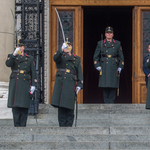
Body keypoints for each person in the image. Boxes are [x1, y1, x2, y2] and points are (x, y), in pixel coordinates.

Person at [51, 39, 83, 127]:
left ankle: (69, 124)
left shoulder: (76, 59)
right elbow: (55, 58)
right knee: (61, 106)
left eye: (69, 46)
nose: (68, 47)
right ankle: (62, 124)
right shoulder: (60, 56)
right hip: (61, 83)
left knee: (69, 105)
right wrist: (61, 49)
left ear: (71, 47)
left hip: (70, 83)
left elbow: (79, 72)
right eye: (66, 46)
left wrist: (80, 84)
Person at [5, 39, 37, 127]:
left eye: (21, 46)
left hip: (25, 83)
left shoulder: (29, 58)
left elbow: (33, 72)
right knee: (15, 107)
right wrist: (14, 54)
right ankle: (16, 125)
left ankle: (23, 126)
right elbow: (8, 64)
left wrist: (34, 85)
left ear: (24, 47)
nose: (20, 48)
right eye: (18, 46)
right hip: (15, 84)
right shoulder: (12, 57)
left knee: (24, 106)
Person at [93, 26, 124, 103]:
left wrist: (120, 66)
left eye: (110, 33)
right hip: (104, 66)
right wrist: (97, 65)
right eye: (107, 33)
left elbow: (121, 57)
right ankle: (106, 103)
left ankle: (111, 104)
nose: (109, 34)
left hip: (114, 66)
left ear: (113, 34)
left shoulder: (117, 43)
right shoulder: (100, 43)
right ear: (105, 34)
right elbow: (95, 56)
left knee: (113, 85)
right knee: (105, 85)